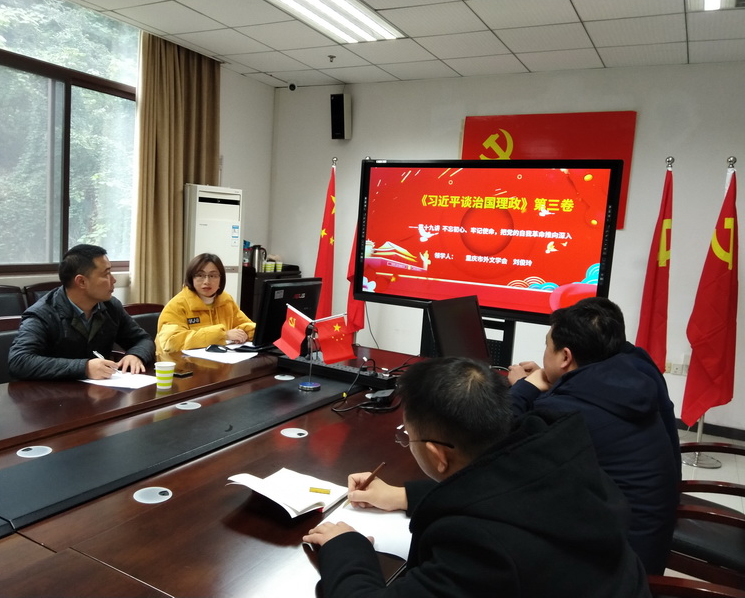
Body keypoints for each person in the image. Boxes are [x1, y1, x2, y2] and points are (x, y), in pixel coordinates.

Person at [303, 357, 650, 598]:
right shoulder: (557, 456)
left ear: (439, 455)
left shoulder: (478, 549)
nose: (407, 442)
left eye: (407, 437)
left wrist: (346, 547)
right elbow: (501, 491)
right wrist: (402, 496)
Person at [507, 297, 681, 575]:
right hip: (646, 538)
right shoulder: (632, 371)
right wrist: (556, 380)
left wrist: (524, 387)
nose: (545, 354)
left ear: (565, 357)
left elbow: (504, 445)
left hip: (616, 568)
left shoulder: (569, 410)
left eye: (547, 347)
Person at [8, 244, 155, 380]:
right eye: (106, 274)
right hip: (52, 394)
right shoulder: (43, 314)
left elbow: (143, 340)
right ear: (82, 282)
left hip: (99, 392)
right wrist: (84, 368)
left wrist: (136, 355)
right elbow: (19, 361)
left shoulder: (110, 306)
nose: (113, 280)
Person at [156, 253, 255, 353]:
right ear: (191, 278)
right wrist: (222, 335)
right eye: (200, 275)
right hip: (181, 361)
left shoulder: (226, 301)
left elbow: (246, 325)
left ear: (221, 280)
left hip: (219, 359)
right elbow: (171, 342)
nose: (207, 281)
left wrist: (249, 333)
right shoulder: (177, 305)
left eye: (213, 276)